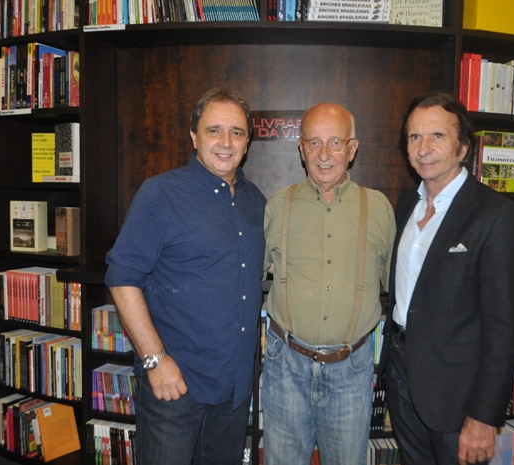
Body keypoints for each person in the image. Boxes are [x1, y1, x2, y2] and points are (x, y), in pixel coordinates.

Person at [105, 88, 266, 465]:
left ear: (248, 141)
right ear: (193, 136)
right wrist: (154, 360)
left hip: (234, 388)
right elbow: (122, 277)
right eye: (214, 130)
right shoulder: (161, 193)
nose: (226, 142)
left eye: (237, 132)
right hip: (175, 386)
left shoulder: (255, 200)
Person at [379, 90, 514, 465]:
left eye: (437, 136)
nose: (423, 148)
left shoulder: (497, 216)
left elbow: (505, 331)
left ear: (463, 148)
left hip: (456, 395)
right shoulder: (404, 205)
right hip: (401, 373)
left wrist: (483, 418)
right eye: (414, 137)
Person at [262, 102, 396, 465]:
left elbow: (398, 289)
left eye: (335, 143)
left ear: (352, 148)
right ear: (301, 149)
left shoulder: (379, 208)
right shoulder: (277, 205)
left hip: (351, 369)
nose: (324, 155)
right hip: (285, 364)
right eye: (314, 143)